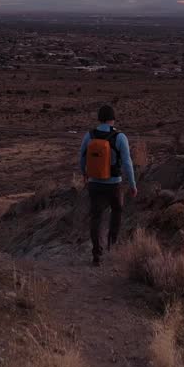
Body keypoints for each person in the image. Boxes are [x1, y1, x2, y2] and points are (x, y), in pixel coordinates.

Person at [78, 104, 137, 266]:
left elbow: (81, 157)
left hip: (94, 184)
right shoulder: (120, 137)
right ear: (113, 118)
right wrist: (132, 184)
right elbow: (127, 163)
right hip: (114, 184)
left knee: (96, 217)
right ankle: (112, 244)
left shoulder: (89, 135)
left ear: (99, 118)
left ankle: (97, 255)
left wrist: (84, 173)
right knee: (117, 210)